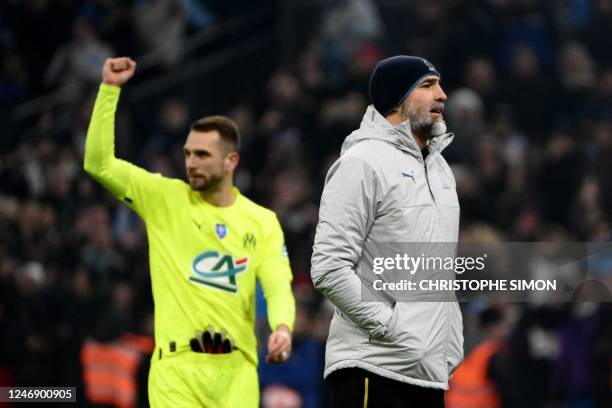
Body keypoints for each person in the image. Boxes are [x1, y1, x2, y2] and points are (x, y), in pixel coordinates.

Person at [84, 57, 295, 407]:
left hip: (236, 374)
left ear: (231, 162)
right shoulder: (164, 198)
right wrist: (109, 90)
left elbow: (276, 288)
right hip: (176, 370)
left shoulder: (262, 220)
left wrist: (283, 328)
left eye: (202, 155)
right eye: (188, 154)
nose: (191, 163)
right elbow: (98, 163)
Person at [311, 55, 463, 407]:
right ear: (396, 100)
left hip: (427, 375)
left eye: (439, 84)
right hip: (372, 368)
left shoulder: (441, 170)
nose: (442, 94)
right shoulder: (361, 162)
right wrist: (392, 329)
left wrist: (449, 341)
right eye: (427, 86)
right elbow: (329, 268)